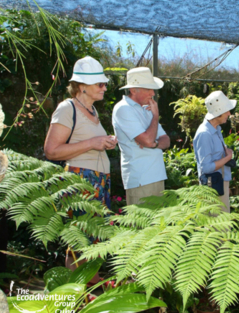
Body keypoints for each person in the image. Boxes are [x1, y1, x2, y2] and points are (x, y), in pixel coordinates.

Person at [44, 56, 117, 279]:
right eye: (100, 84)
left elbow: (90, 144)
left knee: (93, 240)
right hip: (81, 181)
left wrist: (105, 143)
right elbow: (51, 151)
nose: (105, 88)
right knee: (80, 242)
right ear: (83, 87)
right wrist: (93, 143)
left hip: (99, 181)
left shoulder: (93, 111)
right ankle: (79, 294)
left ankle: (87, 288)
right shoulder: (67, 109)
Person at [112, 67, 170, 205]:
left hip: (156, 176)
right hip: (141, 179)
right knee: (143, 225)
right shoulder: (123, 108)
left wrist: (153, 143)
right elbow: (148, 140)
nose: (153, 93)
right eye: (148, 89)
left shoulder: (146, 109)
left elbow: (166, 141)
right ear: (133, 90)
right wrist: (155, 117)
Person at [193, 91, 235, 213]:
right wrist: (228, 157)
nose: (229, 113)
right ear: (218, 112)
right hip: (213, 188)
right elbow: (206, 167)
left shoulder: (216, 128)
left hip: (220, 184)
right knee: (218, 228)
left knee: (223, 227)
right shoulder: (204, 134)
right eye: (226, 110)